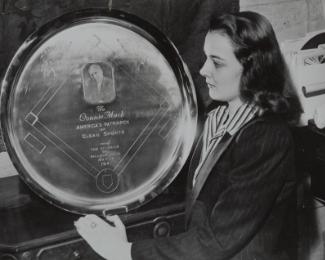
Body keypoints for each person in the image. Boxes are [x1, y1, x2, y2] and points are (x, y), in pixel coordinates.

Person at [75, 11, 299, 260]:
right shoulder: (216, 116)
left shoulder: (266, 139)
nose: (203, 70)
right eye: (205, 57)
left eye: (217, 62)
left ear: (252, 67)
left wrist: (123, 251)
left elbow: (216, 242)